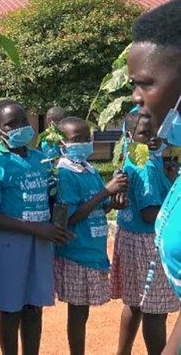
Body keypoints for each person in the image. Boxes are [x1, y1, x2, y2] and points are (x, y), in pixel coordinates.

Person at [0, 99, 73, 355]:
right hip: (9, 246)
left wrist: (57, 222)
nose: (20, 127)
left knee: (34, 307)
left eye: (23, 121)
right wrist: (35, 228)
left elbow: (51, 196)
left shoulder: (41, 159)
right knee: (11, 309)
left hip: (40, 246)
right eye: (11, 124)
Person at [53, 117, 128, 355]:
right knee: (77, 312)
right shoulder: (64, 174)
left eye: (87, 138)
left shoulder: (90, 169)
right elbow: (70, 217)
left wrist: (113, 200)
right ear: (62, 144)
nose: (84, 143)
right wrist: (106, 191)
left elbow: (101, 206)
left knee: (83, 311)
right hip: (76, 252)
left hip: (92, 251)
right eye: (77, 140)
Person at [111, 112, 179, 355]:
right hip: (148, 244)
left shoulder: (137, 160)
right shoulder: (147, 167)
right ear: (130, 136)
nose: (152, 139)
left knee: (136, 303)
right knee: (155, 310)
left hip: (130, 238)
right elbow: (151, 213)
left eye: (156, 133)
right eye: (144, 134)